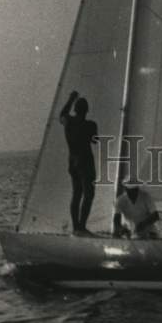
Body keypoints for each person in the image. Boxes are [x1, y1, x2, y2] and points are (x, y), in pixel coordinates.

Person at [59, 89, 98, 236]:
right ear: (87, 110)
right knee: (89, 194)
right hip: (86, 162)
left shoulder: (68, 122)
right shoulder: (90, 125)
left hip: (73, 161)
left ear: (75, 109)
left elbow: (62, 114)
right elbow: (95, 141)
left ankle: (76, 227)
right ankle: (81, 227)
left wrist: (71, 98)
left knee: (77, 194)